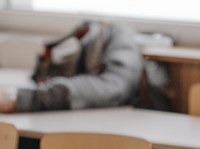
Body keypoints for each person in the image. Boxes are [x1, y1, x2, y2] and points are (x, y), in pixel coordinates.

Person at [0, 20, 170, 113]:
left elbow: (113, 87)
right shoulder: (77, 46)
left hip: (136, 136)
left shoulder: (117, 36)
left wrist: (24, 99)